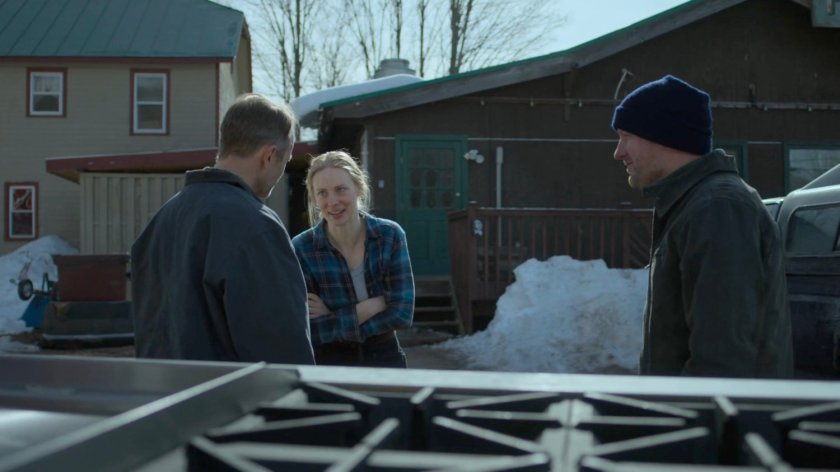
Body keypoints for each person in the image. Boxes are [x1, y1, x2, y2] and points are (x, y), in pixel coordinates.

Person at [611, 75, 793, 378]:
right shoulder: (693, 204)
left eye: (626, 135)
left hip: (719, 422)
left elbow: (722, 361)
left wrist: (682, 420)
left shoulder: (717, 208)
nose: (618, 152)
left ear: (663, 134)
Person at [131, 93, 315, 365]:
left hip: (162, 399)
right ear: (269, 155)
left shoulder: (161, 220)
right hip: (227, 402)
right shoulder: (256, 225)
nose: (281, 173)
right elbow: (283, 350)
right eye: (284, 162)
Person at [292, 151, 414, 367]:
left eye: (340, 189)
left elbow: (402, 314)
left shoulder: (389, 236)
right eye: (322, 193)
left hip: (384, 357)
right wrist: (366, 309)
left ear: (358, 188)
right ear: (314, 198)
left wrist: (333, 316)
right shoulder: (302, 248)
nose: (332, 201)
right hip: (329, 361)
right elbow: (309, 330)